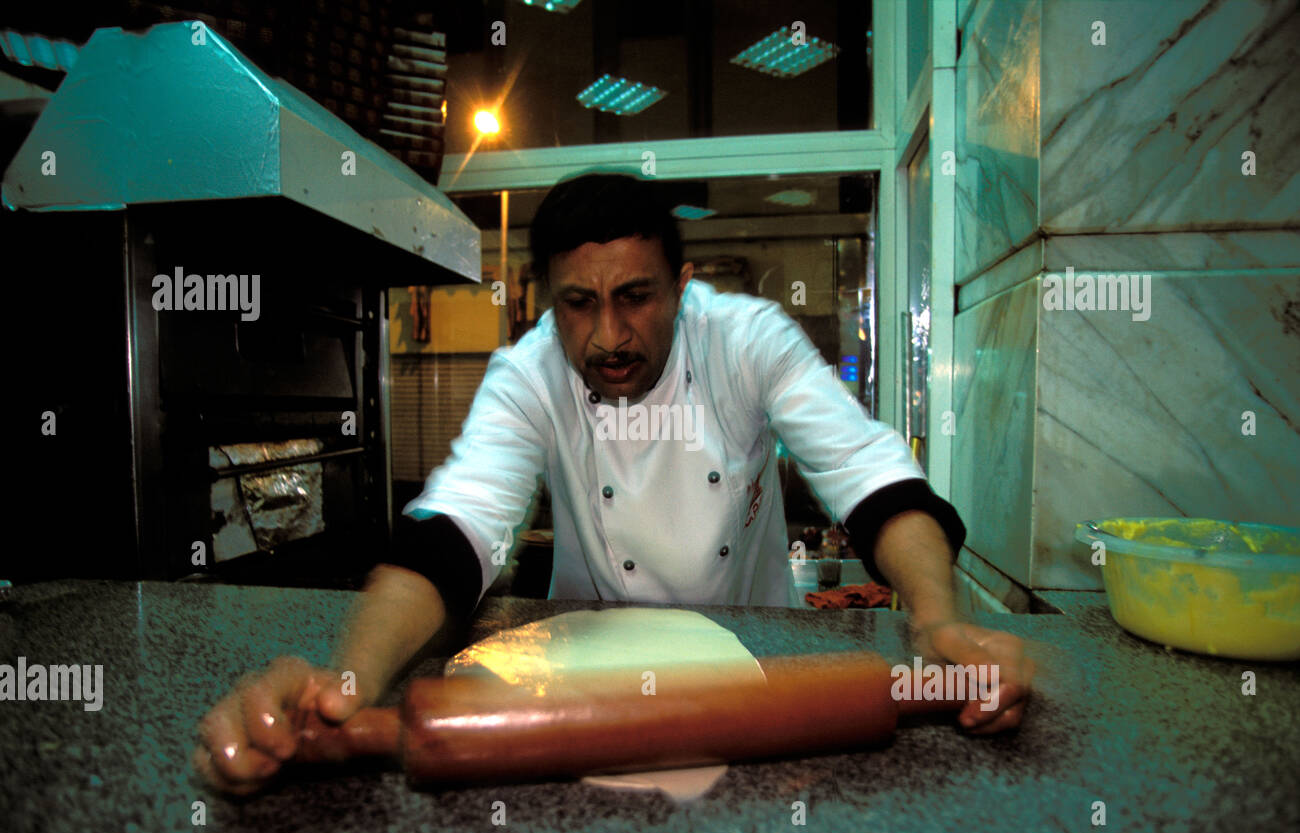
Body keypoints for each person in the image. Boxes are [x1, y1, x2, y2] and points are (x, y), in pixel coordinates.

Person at [194, 172, 1032, 795]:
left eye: (636, 296)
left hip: (756, 671)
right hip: (578, 674)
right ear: (545, 302)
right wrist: (349, 684)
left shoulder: (746, 341)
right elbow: (455, 530)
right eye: (577, 305)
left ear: (683, 286)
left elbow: (870, 477)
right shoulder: (526, 374)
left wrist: (937, 619)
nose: (608, 335)